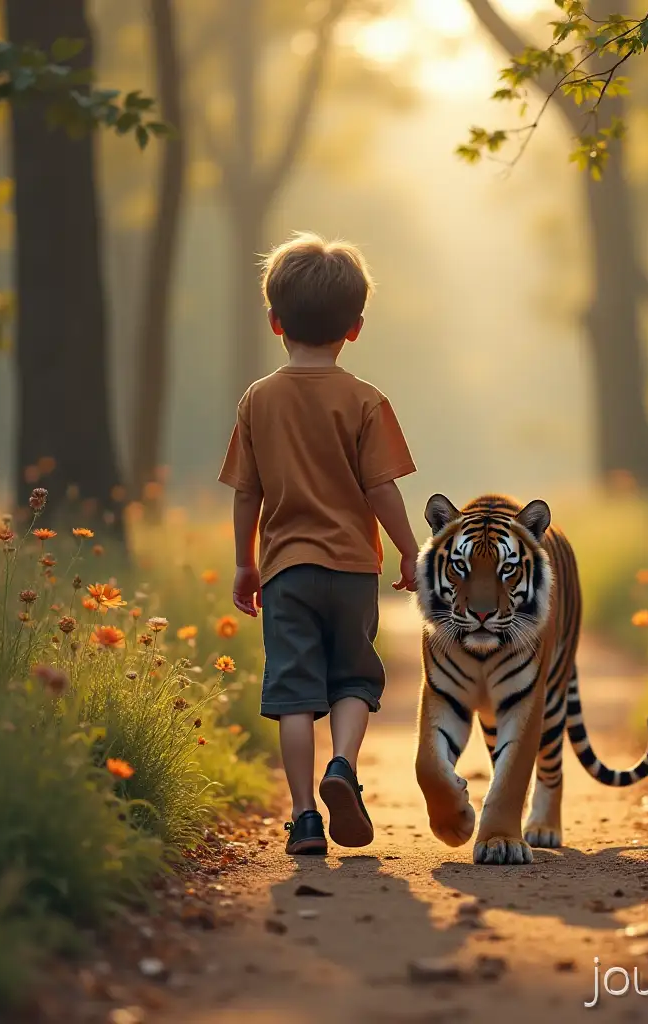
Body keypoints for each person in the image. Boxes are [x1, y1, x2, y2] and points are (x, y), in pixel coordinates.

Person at [218, 231, 419, 856]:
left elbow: (246, 494)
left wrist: (245, 563)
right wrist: (411, 550)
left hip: (285, 573)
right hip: (353, 570)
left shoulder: (258, 399)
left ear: (275, 320)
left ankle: (305, 817)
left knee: (294, 694)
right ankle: (344, 767)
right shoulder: (365, 400)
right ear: (354, 328)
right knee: (354, 678)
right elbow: (381, 488)